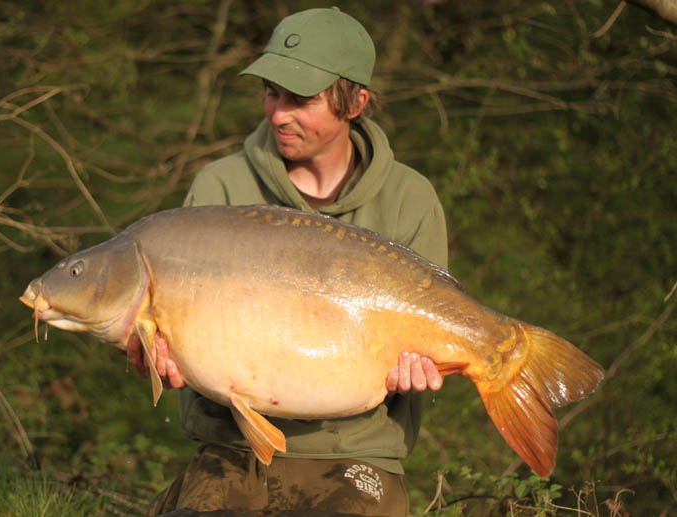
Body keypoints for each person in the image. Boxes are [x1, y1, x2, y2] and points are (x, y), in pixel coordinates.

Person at [128, 7, 449, 515]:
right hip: (230, 448)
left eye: (299, 100)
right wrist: (159, 354)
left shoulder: (410, 198)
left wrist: (422, 364)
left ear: (355, 102)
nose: (278, 114)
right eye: (271, 94)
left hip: (354, 451)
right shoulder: (221, 188)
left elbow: (433, 326)